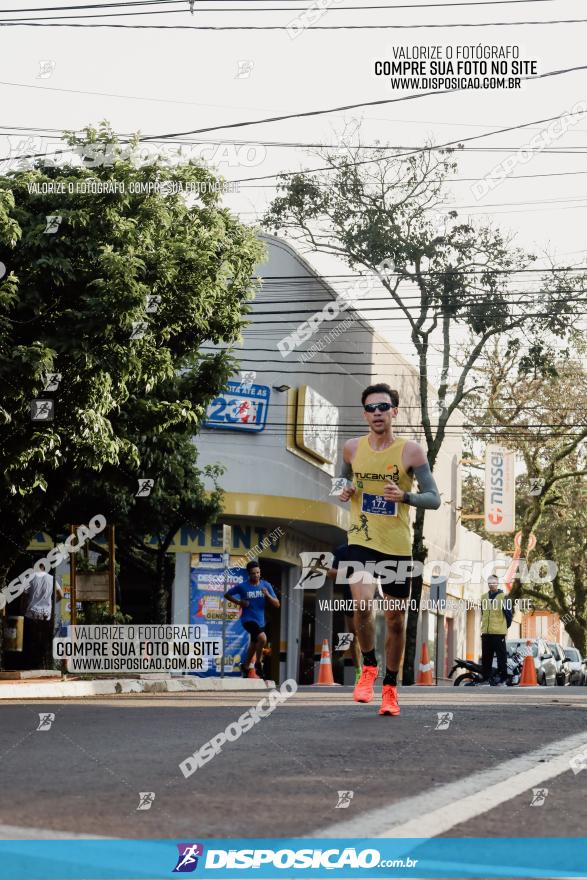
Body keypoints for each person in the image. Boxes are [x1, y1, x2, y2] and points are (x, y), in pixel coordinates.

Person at [338, 383, 441, 716]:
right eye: (370, 408)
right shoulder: (351, 449)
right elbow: (340, 481)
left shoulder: (411, 452)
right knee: (362, 602)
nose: (377, 412)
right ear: (364, 414)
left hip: (396, 545)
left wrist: (406, 497)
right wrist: (344, 488)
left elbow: (434, 498)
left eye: (383, 406)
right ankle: (368, 667)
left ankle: (391, 688)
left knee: (396, 619)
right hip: (360, 538)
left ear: (394, 411)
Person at [225, 560, 280, 679]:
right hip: (247, 619)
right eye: (253, 573)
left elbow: (277, 604)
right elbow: (227, 595)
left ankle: (245, 666)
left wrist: (268, 595)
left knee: (254, 644)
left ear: (260, 572)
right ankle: (258, 663)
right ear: (249, 574)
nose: (256, 575)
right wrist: (239, 602)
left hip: (260, 620)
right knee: (262, 638)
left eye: (258, 573)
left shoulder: (266, 585)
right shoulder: (242, 586)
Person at [327, 544, 362, 684]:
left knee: (365, 634)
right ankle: (359, 670)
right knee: (353, 636)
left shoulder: (371, 547)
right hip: (349, 594)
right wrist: (346, 572)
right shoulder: (342, 550)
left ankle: (369, 668)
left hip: (368, 594)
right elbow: (330, 573)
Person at [22, 562, 63, 669]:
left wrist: (23, 610)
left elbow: (24, 597)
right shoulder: (51, 578)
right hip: (46, 616)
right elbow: (61, 595)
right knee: (44, 642)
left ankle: (31, 665)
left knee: (30, 641)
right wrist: (52, 604)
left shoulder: (29, 578)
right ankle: (43, 666)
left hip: (31, 615)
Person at [480, 574, 512, 686]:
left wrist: (502, 627)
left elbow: (509, 617)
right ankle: (486, 679)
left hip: (499, 634)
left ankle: (503, 679)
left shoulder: (504, 597)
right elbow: (483, 613)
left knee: (501, 658)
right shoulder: (483, 597)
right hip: (486, 633)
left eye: (493, 582)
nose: (491, 584)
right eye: (489, 582)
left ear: (497, 583)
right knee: (486, 658)